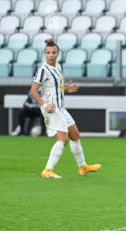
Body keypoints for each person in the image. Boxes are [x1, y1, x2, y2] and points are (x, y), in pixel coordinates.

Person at [29, 38, 101, 179]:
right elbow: (33, 91)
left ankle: (83, 167)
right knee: (63, 139)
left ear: (58, 54)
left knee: (75, 135)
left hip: (61, 108)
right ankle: (47, 170)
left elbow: (57, 87)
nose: (50, 55)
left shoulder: (58, 67)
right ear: (45, 54)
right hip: (51, 109)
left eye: (53, 52)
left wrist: (68, 88)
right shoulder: (43, 70)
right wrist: (44, 105)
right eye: (48, 52)